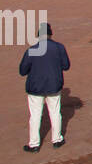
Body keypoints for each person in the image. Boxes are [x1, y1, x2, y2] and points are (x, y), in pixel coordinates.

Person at [19, 23, 70, 152]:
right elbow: (66, 66)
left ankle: (34, 144)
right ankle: (57, 139)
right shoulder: (59, 48)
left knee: (35, 115)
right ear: (50, 34)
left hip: (35, 87)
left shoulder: (32, 50)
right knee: (55, 112)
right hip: (54, 85)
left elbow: (22, 70)